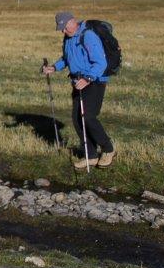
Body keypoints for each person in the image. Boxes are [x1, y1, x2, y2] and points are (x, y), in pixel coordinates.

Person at [42, 12, 115, 169]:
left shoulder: (88, 36)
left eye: (64, 27)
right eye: (61, 28)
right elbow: (66, 59)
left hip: (94, 82)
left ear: (73, 22)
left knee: (88, 117)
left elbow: (100, 62)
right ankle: (91, 155)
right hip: (77, 82)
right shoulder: (68, 38)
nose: (63, 31)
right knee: (77, 119)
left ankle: (108, 149)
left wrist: (88, 78)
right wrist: (54, 67)